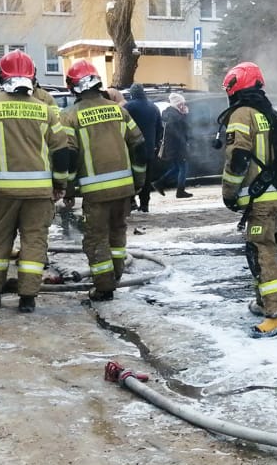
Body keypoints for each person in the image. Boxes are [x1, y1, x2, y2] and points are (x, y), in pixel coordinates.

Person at [0, 50, 69, 312]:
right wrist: (60, 184)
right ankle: (27, 299)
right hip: (40, 193)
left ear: (1, 75)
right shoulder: (45, 110)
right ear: (32, 76)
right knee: (33, 242)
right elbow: (62, 152)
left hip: (3, 192)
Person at [62, 60, 146, 302]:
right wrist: (138, 181)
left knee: (96, 239)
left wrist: (67, 189)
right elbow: (139, 147)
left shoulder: (70, 117)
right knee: (117, 235)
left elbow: (68, 156)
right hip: (124, 189)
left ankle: (104, 287)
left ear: (73, 87)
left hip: (95, 193)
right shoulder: (119, 110)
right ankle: (115, 276)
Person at [221, 62, 277, 338]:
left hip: (261, 197)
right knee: (258, 249)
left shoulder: (241, 114)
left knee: (262, 252)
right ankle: (265, 302)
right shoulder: (266, 112)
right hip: (274, 194)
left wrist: (229, 192)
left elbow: (238, 157)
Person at [122, 83, 162, 212]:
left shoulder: (127, 107)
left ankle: (132, 201)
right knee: (147, 177)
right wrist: (155, 144)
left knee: (131, 176)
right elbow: (159, 129)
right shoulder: (154, 107)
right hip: (149, 149)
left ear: (132, 93)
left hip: (132, 149)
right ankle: (144, 204)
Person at [153, 92, 192, 198]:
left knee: (176, 168)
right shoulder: (175, 115)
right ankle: (180, 191)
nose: (183, 106)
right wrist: (184, 116)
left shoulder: (171, 113)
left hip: (173, 146)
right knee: (183, 168)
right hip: (177, 146)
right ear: (176, 104)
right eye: (181, 104)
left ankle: (159, 183)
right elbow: (178, 132)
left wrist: (183, 114)